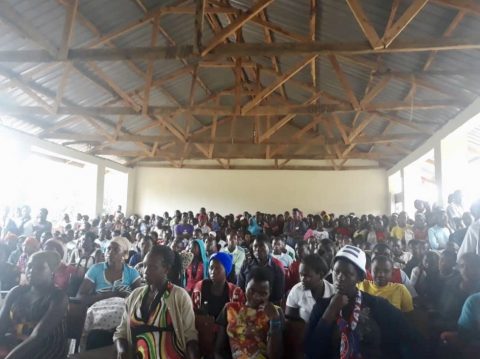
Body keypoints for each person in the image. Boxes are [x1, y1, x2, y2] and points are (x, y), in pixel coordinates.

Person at [305, 245, 423, 359]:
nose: (340, 277)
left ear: (360, 277)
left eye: (348, 273)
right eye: (337, 272)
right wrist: (331, 311)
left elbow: (411, 336)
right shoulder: (322, 307)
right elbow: (312, 352)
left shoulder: (377, 305)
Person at [114, 245, 200, 359]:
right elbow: (121, 332)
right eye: (144, 266)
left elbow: (190, 336)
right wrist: (122, 351)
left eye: (152, 267)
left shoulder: (179, 296)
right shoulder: (135, 296)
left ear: (166, 269)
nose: (145, 271)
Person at [0, 251, 67, 359]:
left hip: (45, 348)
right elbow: (1, 324)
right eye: (29, 266)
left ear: (52, 271)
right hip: (16, 343)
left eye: (40, 268)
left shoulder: (58, 298)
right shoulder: (16, 292)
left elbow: (37, 337)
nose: (31, 271)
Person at [215, 267, 284, 359]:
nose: (256, 297)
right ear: (246, 286)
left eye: (263, 293)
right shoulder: (230, 309)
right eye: (252, 291)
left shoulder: (275, 312)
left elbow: (275, 356)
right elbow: (218, 350)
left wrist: (274, 321)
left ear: (269, 292)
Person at [77, 236, 141, 305]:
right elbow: (80, 297)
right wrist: (106, 296)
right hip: (99, 311)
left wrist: (125, 297)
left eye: (116, 250)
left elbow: (138, 300)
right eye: (109, 249)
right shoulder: (96, 269)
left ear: (124, 253)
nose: (110, 252)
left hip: (124, 313)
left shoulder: (132, 273)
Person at [192, 252, 244, 318]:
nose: (213, 271)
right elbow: (192, 313)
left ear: (226, 270)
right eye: (211, 268)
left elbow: (240, 319)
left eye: (217, 268)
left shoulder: (235, 292)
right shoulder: (199, 287)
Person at [437, 253, 480, 330]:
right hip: (445, 325)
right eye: (462, 266)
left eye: (471, 266)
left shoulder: (477, 295)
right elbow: (443, 309)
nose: (465, 270)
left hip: (470, 333)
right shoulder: (450, 284)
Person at [286, 254, 334, 323]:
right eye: (301, 275)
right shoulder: (297, 290)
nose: (302, 279)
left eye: (306, 276)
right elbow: (289, 321)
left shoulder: (333, 292)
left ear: (321, 275)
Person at [237, 236, 285, 304]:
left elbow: (278, 296)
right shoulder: (246, 266)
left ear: (269, 248)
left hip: (267, 308)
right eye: (255, 246)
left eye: (261, 246)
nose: (258, 249)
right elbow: (240, 289)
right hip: (247, 306)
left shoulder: (277, 270)